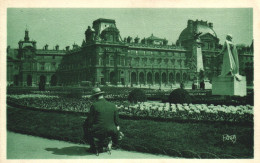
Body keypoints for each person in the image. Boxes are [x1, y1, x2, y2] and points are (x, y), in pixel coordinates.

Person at [84, 87, 121, 153]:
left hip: (99, 130)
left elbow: (90, 121)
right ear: (102, 95)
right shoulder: (112, 105)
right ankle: (111, 143)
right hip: (112, 130)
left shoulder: (94, 106)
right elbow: (117, 121)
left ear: (95, 97)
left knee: (85, 126)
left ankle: (93, 147)